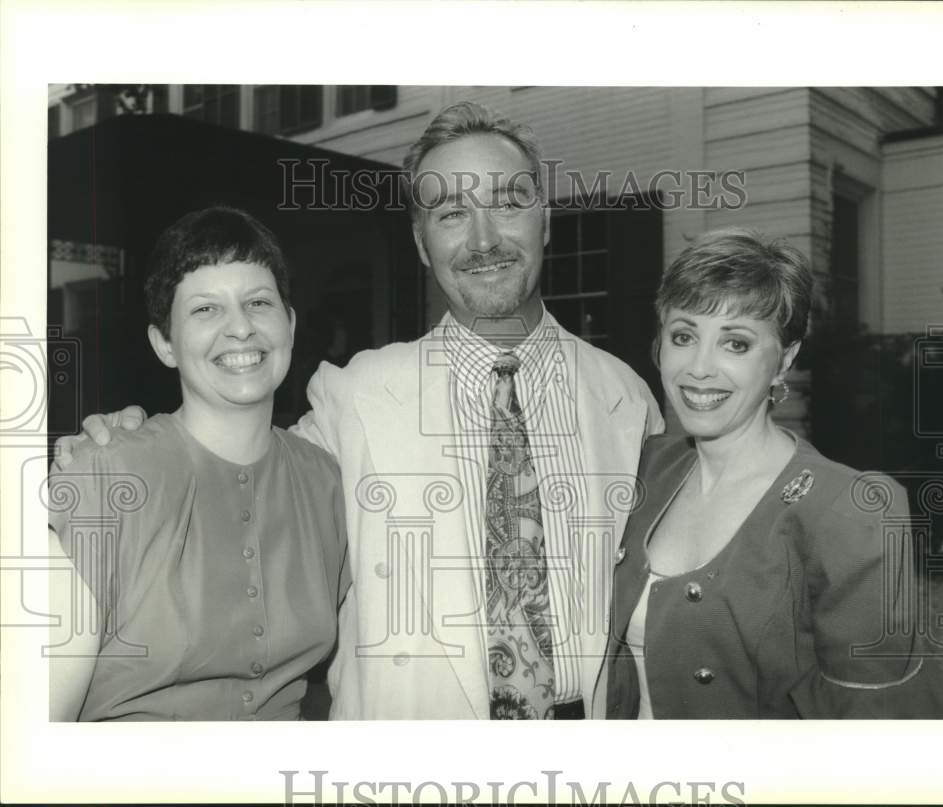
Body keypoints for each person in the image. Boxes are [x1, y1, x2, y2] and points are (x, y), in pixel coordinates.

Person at [53, 102, 664, 719]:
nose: (483, 240)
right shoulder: (354, 396)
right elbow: (240, 470)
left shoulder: (628, 400)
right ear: (423, 246)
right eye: (451, 214)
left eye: (507, 203)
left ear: (545, 220)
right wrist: (119, 446)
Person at [603, 228, 943, 719]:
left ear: (784, 360)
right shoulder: (645, 467)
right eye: (684, 336)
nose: (699, 368)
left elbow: (879, 727)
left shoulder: (850, 510)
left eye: (736, 343)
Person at [48, 207, 351, 721]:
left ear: (291, 324)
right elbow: (32, 734)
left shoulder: (324, 481)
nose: (240, 328)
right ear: (164, 344)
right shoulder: (105, 474)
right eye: (205, 310)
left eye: (258, 302)